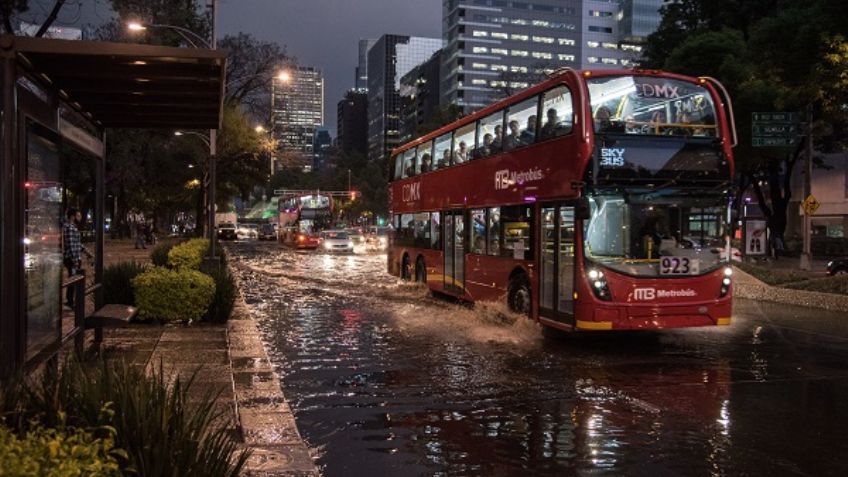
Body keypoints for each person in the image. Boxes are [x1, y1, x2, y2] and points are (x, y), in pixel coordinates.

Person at [62, 208, 91, 307]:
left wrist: (86, 252)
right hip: (72, 257)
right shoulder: (70, 228)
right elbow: (70, 244)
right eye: (78, 215)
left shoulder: (71, 227)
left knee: (73, 278)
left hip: (74, 257)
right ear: (73, 216)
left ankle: (70, 300)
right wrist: (75, 260)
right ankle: (71, 301)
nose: (80, 217)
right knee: (74, 279)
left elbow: (77, 244)